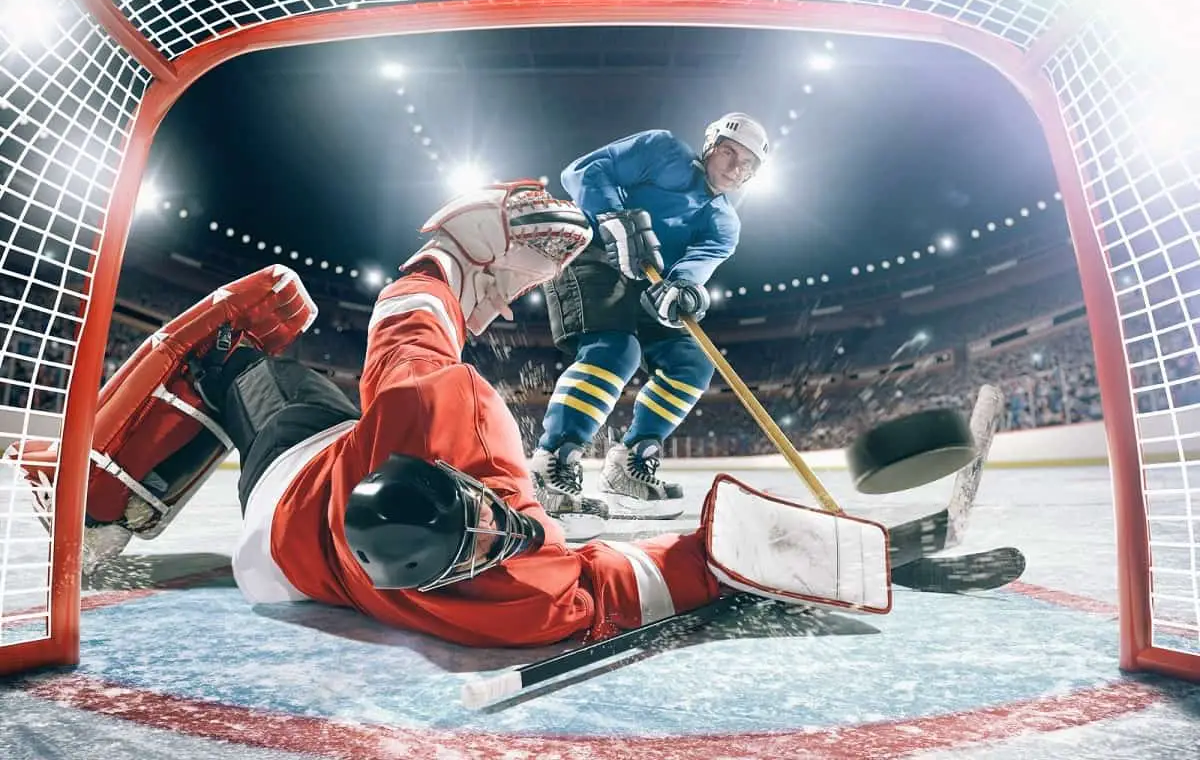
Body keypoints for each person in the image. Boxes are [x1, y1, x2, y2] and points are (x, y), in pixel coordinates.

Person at [8, 180, 886, 649]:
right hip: (295, 539)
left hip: (290, 502)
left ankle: (118, 469)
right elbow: (636, 584)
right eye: (499, 523)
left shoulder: (421, 416)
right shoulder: (525, 586)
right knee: (299, 383)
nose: (506, 529)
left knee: (244, 369)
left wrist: (454, 262)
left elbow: (410, 317)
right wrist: (751, 559)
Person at [532, 113, 770, 526]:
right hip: (591, 257)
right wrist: (611, 217)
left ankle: (631, 462)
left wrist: (685, 291)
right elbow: (583, 171)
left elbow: (694, 269)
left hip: (647, 283)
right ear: (711, 145)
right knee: (615, 350)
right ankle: (550, 462)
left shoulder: (725, 224)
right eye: (730, 153)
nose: (735, 167)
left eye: (746, 164)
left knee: (693, 363)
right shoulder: (662, 150)